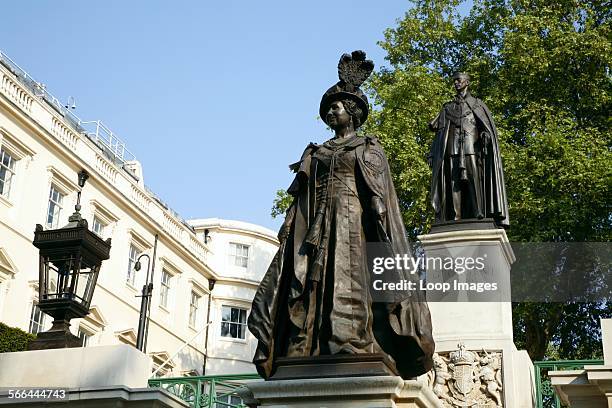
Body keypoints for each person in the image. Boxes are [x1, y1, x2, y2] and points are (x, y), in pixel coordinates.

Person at [247, 51, 434, 380]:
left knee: (347, 278)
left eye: (336, 107)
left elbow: (378, 193)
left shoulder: (367, 148)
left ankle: (349, 341)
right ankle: (308, 343)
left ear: (353, 112)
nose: (331, 112)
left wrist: (379, 214)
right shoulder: (316, 152)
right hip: (316, 224)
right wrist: (290, 222)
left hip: (351, 222)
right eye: (329, 107)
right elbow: (301, 195)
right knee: (307, 281)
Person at [429, 72, 509, 227]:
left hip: (471, 146)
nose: (456, 83)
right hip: (451, 148)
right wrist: (433, 153)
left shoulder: (477, 104)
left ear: (467, 82)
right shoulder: (448, 107)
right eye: (454, 81)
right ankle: (455, 216)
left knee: (473, 179)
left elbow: (485, 126)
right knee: (454, 183)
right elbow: (439, 134)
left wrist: (486, 134)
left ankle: (479, 211)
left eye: (459, 80)